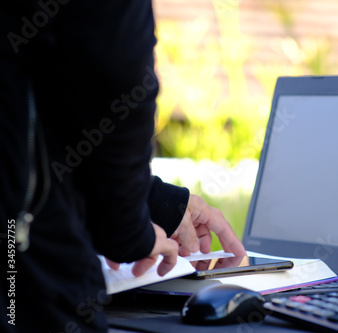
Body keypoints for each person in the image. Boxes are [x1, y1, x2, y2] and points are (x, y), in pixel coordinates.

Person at [0, 1, 245, 332]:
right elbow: (114, 76)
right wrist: (126, 227)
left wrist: (153, 201)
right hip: (22, 259)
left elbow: (50, 101)